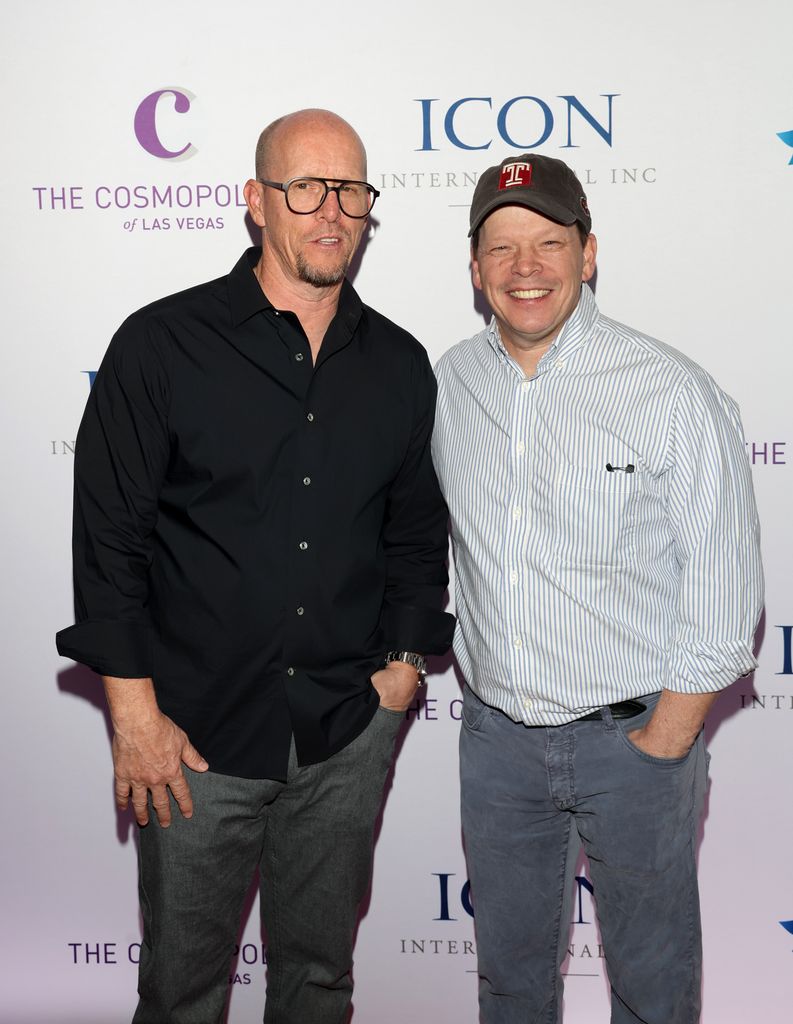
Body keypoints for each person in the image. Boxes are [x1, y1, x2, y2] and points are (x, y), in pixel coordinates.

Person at [56, 108, 454, 1024]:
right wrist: (135, 716)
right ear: (255, 203)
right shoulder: (161, 345)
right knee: (182, 991)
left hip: (344, 735)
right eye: (304, 187)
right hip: (190, 740)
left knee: (318, 984)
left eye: (351, 190)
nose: (330, 211)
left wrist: (400, 671)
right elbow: (108, 539)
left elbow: (411, 532)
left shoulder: (397, 363)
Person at [431, 153, 763, 1024]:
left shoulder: (668, 391)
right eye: (501, 247)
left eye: (548, 241)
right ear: (474, 268)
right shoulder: (448, 384)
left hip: (634, 745)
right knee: (509, 980)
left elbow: (725, 593)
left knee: (651, 989)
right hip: (497, 743)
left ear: (588, 253)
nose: (525, 267)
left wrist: (665, 739)